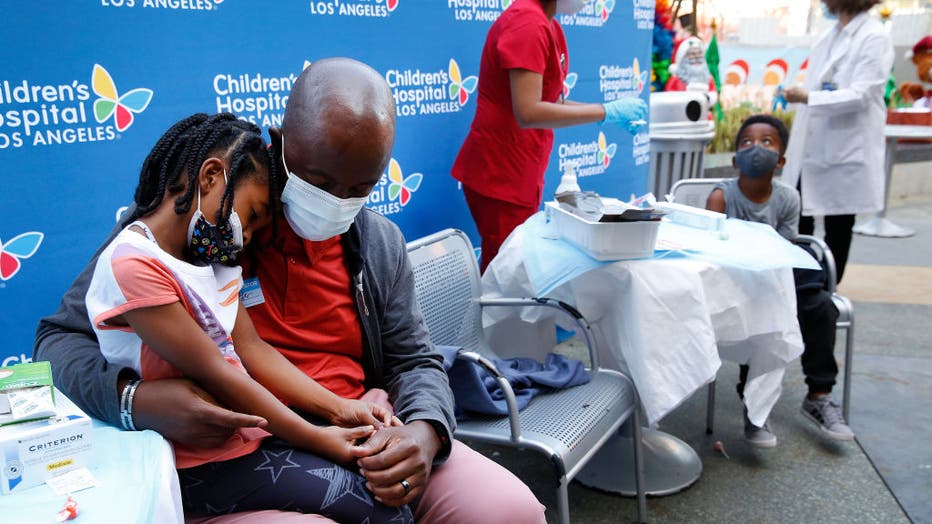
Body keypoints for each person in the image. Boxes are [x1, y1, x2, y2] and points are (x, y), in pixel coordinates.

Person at [35, 58, 546, 524]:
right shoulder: (202, 228)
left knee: (509, 509)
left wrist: (425, 433)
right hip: (238, 448)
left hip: (358, 427)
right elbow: (58, 344)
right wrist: (134, 401)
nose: (336, 201)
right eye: (320, 179)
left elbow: (415, 360)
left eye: (360, 189)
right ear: (282, 144)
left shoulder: (378, 243)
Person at [83, 112, 415, 522]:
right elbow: (218, 373)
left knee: (388, 502)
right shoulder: (135, 265)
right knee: (380, 513)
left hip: (249, 443)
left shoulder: (211, 259)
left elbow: (251, 349)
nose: (251, 238)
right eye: (254, 215)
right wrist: (320, 440)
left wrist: (339, 408)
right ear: (210, 178)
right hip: (194, 462)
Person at [450, 0, 648, 272]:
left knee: (514, 273)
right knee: (505, 276)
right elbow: (528, 112)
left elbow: (552, 100)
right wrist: (604, 111)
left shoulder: (547, 24)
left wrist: (609, 114)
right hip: (500, 176)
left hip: (519, 173)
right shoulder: (527, 24)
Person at [707, 114, 855, 447]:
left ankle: (818, 395)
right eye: (746, 142)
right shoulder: (722, 196)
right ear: (734, 159)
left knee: (820, 307)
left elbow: (787, 250)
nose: (755, 148)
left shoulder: (788, 198)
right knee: (763, 314)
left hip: (778, 273)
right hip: (736, 278)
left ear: (781, 159)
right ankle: (755, 408)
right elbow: (712, 252)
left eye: (766, 142)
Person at [781, 0, 894, 283]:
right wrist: (802, 94)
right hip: (815, 145)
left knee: (838, 225)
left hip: (846, 148)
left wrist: (808, 97)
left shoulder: (874, 37)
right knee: (799, 218)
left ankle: (826, 289)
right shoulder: (829, 36)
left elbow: (861, 94)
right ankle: (801, 286)